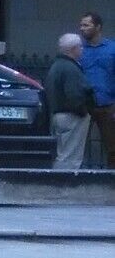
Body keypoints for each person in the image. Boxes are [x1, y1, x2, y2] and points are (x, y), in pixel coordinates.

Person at [45, 31, 94, 171]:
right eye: (80, 47)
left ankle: (59, 181)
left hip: (58, 114)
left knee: (63, 153)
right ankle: (65, 185)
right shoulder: (70, 68)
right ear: (73, 49)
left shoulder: (57, 66)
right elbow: (74, 94)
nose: (82, 49)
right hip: (72, 116)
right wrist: (83, 111)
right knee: (70, 156)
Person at [77, 11, 115, 167]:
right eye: (81, 25)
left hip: (108, 103)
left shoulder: (112, 48)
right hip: (84, 105)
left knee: (112, 146)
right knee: (79, 146)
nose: (82, 28)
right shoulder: (78, 49)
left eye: (86, 25)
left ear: (98, 27)